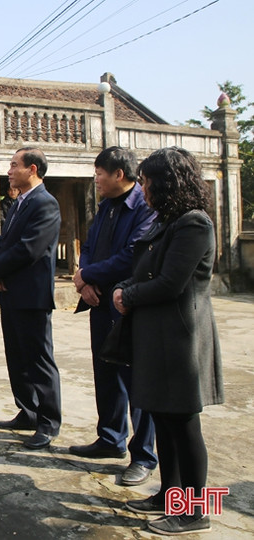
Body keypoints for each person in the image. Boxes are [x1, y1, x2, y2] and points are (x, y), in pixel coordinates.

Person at [115, 147, 223, 536]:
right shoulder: (167, 222)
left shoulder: (194, 224)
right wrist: (127, 287)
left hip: (182, 340)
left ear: (167, 183)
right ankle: (171, 495)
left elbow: (170, 283)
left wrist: (128, 296)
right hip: (158, 337)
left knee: (184, 425)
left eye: (146, 182)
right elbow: (143, 270)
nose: (142, 189)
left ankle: (197, 511)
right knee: (164, 418)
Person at [69, 147, 158, 486]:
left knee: (136, 381)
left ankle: (144, 455)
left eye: (99, 173)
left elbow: (131, 257)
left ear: (118, 174)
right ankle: (110, 438)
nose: (96, 179)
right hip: (99, 300)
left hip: (126, 302)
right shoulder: (105, 206)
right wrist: (84, 275)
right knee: (105, 371)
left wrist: (88, 275)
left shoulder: (144, 207)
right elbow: (89, 245)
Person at [0, 147, 62, 450]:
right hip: (10, 291)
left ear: (32, 169)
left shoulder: (45, 204)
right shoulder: (17, 203)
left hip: (32, 294)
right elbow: (5, 243)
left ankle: (48, 422)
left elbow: (30, 248)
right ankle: (27, 411)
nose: (9, 170)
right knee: (17, 357)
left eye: (14, 165)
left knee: (39, 360)